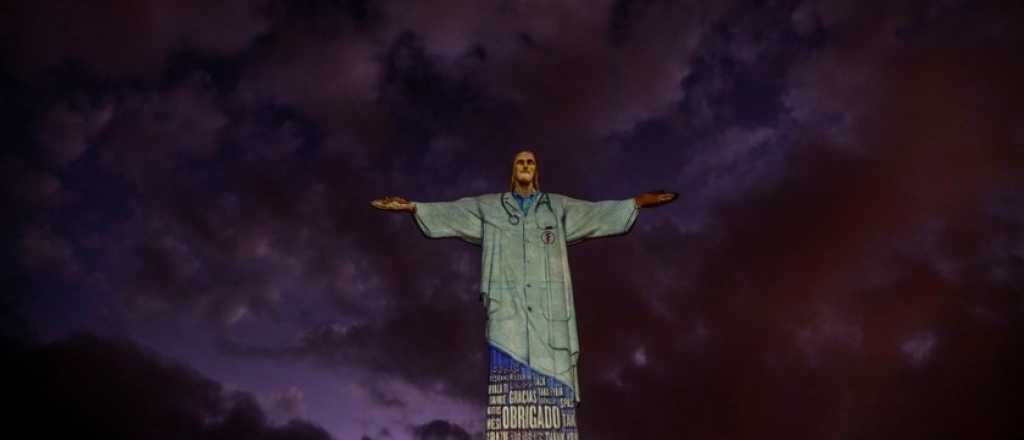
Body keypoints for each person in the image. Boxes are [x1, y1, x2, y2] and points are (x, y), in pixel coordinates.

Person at [372, 150, 675, 436]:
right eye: (520, 162)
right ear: (513, 171)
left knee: (554, 406)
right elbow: (453, 212)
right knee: (509, 401)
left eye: (530, 162)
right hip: (509, 316)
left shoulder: (556, 206)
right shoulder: (490, 207)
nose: (526, 166)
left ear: (537, 170)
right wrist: (414, 207)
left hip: (550, 315)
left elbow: (594, 213)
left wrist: (634, 203)